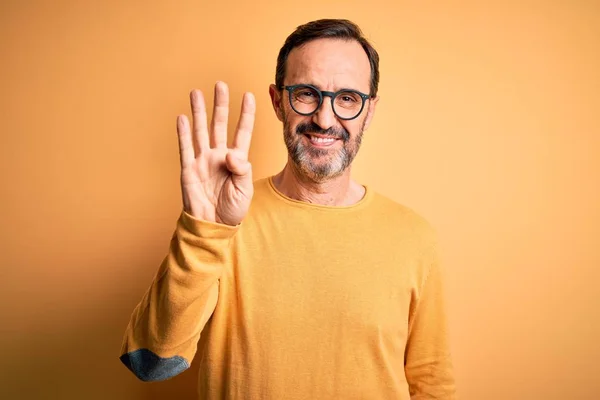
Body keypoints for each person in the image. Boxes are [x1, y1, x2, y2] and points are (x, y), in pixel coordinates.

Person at [119, 18, 457, 399]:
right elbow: (152, 364)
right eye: (307, 94)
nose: (325, 120)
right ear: (278, 102)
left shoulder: (414, 237)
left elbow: (432, 384)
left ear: (370, 110)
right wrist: (204, 230)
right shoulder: (222, 223)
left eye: (347, 98)